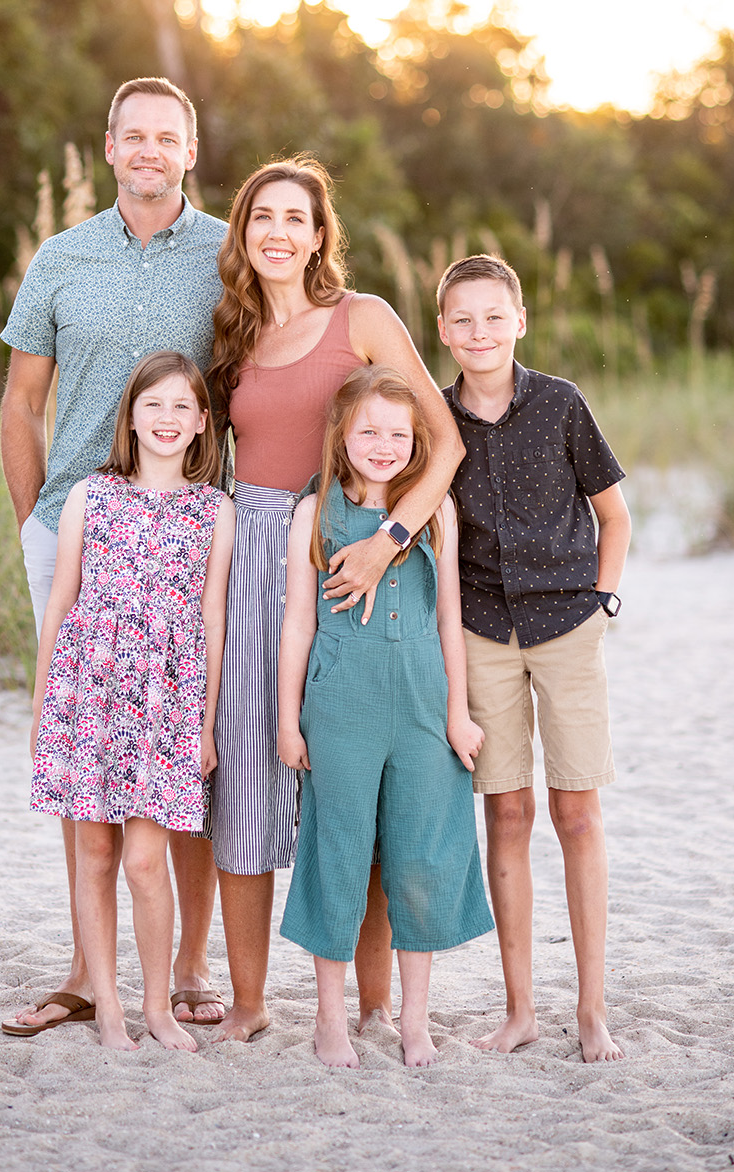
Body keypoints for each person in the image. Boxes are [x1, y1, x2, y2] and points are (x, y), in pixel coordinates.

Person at [206, 158, 465, 1043]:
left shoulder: (364, 318)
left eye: (296, 217)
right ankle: (248, 1003)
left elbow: (445, 443)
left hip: (360, 541)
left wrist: (389, 542)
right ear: (243, 233)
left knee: (366, 779)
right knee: (250, 764)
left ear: (320, 234)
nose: (279, 231)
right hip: (254, 548)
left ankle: (376, 1002)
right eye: (261, 217)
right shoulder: (230, 335)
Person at [0, 77, 229, 1033]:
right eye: (131, 136)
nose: (148, 150)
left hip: (188, 528)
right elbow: (20, 403)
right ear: (108, 148)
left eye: (165, 137)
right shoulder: (60, 258)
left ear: (189, 150)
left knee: (181, 740)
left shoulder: (228, 255)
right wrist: (35, 524)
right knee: (85, 746)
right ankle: (90, 971)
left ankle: (182, 966)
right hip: (77, 522)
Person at [436, 253, 631, 1064]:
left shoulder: (561, 404)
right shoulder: (434, 419)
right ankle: (520, 1010)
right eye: (461, 320)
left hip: (566, 624)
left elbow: (613, 516)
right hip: (482, 631)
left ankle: (592, 1010)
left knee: (576, 813)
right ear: (442, 332)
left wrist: (603, 602)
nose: (479, 333)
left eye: (493, 317)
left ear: (520, 322)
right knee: (505, 815)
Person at [15, 352, 234, 1051]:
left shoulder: (215, 510)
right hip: (89, 693)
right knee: (96, 854)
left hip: (166, 704)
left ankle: (157, 1007)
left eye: (181, 407)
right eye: (153, 405)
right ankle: (108, 1010)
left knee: (145, 859)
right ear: (131, 419)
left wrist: (204, 727)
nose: (167, 419)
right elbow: (60, 602)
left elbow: (212, 621)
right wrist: (44, 703)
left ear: (203, 423)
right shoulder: (90, 495)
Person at [277, 367, 494, 1068]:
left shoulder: (437, 511)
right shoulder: (314, 513)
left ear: (416, 442)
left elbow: (451, 620)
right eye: (368, 430)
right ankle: (330, 1020)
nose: (382, 444)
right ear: (341, 434)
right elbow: (297, 624)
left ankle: (415, 1020)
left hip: (422, 703)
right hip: (341, 704)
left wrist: (458, 715)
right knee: (337, 852)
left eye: (397, 434)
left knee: (422, 856)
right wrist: (289, 718)